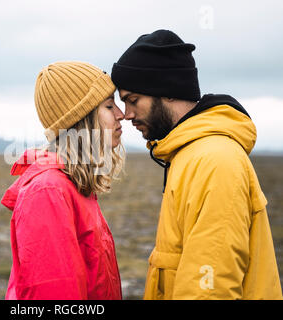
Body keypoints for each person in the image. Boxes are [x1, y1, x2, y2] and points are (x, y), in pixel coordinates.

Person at [111, 29, 282, 300]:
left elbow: (210, 288)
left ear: (166, 91)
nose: (127, 114)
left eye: (133, 100)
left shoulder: (214, 161)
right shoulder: (188, 154)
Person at [1, 61, 125, 299]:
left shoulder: (73, 185)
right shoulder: (48, 192)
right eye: (109, 106)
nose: (121, 115)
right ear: (82, 120)